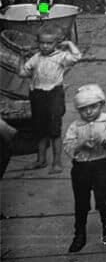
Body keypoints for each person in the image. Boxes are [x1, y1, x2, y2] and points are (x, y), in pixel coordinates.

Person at [63, 83, 106, 252]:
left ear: (102, 104)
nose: (89, 112)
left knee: (104, 200)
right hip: (81, 168)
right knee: (81, 202)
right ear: (78, 110)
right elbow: (67, 146)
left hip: (103, 165)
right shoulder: (75, 126)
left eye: (93, 107)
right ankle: (79, 234)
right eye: (83, 109)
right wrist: (80, 144)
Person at [21, 23, 81, 172]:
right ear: (37, 43)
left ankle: (57, 162)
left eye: (49, 43)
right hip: (38, 95)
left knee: (54, 131)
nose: (45, 46)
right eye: (42, 43)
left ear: (57, 43)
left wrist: (69, 44)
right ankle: (40, 160)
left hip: (54, 95)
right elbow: (23, 73)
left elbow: (77, 56)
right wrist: (21, 60)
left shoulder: (61, 57)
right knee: (40, 130)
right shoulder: (36, 58)